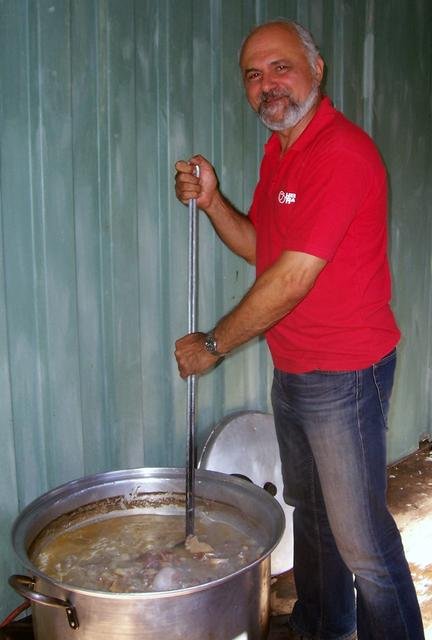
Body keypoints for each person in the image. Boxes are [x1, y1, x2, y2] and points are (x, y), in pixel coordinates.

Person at [174, 19, 424, 640]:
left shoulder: (341, 153)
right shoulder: (282, 150)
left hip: (346, 373)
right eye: (253, 75)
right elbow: (263, 249)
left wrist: (213, 345)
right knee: (311, 517)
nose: (266, 85)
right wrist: (211, 202)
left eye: (280, 67)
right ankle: (322, 626)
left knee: (362, 537)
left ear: (317, 71)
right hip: (296, 368)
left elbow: (291, 281)